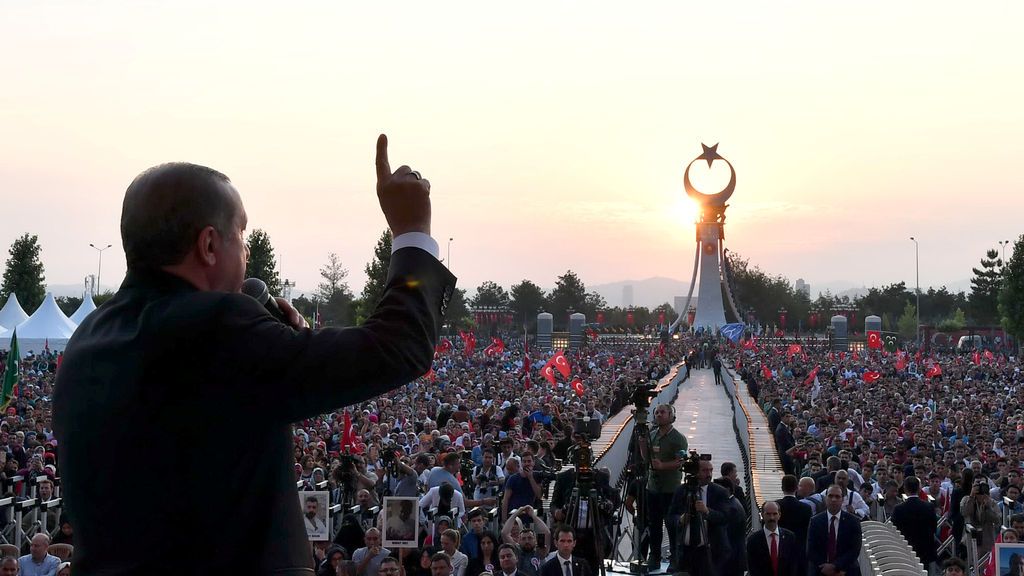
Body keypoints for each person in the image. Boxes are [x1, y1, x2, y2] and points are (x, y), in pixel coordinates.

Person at [53, 136, 457, 574]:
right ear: (209, 245)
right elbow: (398, 346)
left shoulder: (86, 342)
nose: (246, 252)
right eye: (241, 234)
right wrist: (412, 232)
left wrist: (278, 350)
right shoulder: (218, 326)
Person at [667, 458, 731, 576]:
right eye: (705, 471)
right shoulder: (681, 491)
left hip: (709, 552)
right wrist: (680, 520)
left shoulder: (720, 492)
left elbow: (725, 518)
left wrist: (707, 511)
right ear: (695, 472)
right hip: (685, 552)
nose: (709, 474)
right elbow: (670, 517)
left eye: (711, 470)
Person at [646, 404, 687, 571]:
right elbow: (646, 456)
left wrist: (663, 466)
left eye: (662, 412)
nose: (658, 415)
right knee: (654, 524)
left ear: (671, 416)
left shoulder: (678, 438)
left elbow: (680, 462)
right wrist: (642, 442)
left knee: (672, 524)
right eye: (656, 412)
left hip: (671, 488)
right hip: (653, 487)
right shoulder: (652, 435)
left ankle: (675, 557)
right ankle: (654, 556)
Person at [806, 485, 862, 576]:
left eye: (837, 496)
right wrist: (826, 568)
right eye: (830, 496)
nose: (833, 499)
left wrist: (836, 567)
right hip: (821, 570)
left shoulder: (853, 521)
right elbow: (811, 550)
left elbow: (854, 549)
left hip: (845, 570)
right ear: (825, 498)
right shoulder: (815, 521)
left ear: (842, 500)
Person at [891, 476, 938, 572]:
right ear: (919, 488)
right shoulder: (929, 507)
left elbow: (894, 530)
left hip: (905, 549)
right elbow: (934, 527)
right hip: (925, 549)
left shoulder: (898, 509)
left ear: (905, 489)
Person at [745, 501, 798, 576]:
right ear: (762, 515)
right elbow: (752, 568)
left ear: (779, 515)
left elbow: (793, 565)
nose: (771, 517)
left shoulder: (790, 537)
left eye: (774, 514)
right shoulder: (753, 540)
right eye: (768, 514)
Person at [775, 475, 811, 571]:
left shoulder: (776, 506)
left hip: (780, 549)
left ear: (782, 488)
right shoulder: (806, 508)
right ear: (796, 488)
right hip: (799, 550)